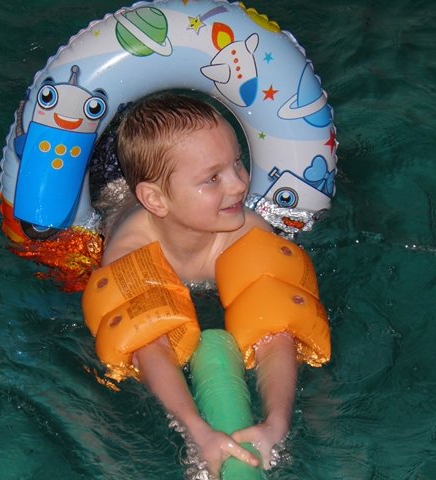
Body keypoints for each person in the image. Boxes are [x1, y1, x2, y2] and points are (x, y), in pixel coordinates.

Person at [82, 94, 329, 476]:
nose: (239, 185)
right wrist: (195, 430)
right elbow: (149, 343)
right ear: (156, 200)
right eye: (213, 178)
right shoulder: (129, 251)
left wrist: (276, 422)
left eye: (237, 163)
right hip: (113, 180)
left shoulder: (247, 232)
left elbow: (276, 328)